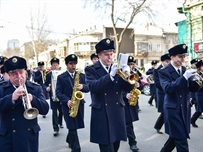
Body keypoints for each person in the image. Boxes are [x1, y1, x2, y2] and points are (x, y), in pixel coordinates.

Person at [85, 38, 134, 152]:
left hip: (117, 112)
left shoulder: (117, 69)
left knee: (116, 145)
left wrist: (128, 75)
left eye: (111, 54)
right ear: (99, 55)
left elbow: (128, 88)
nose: (110, 57)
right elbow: (93, 87)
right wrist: (110, 76)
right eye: (106, 55)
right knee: (107, 148)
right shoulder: (91, 70)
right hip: (102, 113)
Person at [0, 56, 49, 152]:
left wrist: (33, 100)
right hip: (8, 137)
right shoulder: (1, 88)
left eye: (21, 72)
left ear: (25, 72)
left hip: (28, 137)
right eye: (14, 74)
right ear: (9, 75)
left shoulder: (35, 88)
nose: (19, 76)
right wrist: (11, 98)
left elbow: (45, 110)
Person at [159, 44, 200, 152]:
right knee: (181, 140)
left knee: (174, 138)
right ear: (172, 56)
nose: (183, 59)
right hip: (173, 110)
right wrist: (184, 77)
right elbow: (168, 88)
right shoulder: (164, 71)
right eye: (180, 56)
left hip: (185, 109)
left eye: (184, 56)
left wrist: (197, 81)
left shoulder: (183, 69)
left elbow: (192, 89)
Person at [56, 54, 89, 152]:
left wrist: (83, 87)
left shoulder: (81, 76)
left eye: (75, 63)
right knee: (72, 127)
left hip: (79, 105)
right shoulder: (61, 77)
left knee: (75, 126)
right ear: (66, 64)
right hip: (67, 105)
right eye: (71, 63)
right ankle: (76, 149)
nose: (73, 66)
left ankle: (69, 139)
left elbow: (88, 88)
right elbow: (58, 92)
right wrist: (67, 100)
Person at [122, 55, 143, 152]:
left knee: (128, 123)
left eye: (132, 64)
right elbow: (116, 89)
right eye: (129, 64)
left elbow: (141, 86)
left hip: (132, 101)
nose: (130, 66)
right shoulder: (121, 75)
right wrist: (125, 94)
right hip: (122, 102)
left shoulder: (135, 74)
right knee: (127, 123)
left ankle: (129, 139)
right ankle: (133, 143)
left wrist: (139, 85)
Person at [43, 57, 64, 136]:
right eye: (53, 65)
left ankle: (60, 122)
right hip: (53, 96)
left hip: (61, 96)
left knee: (61, 110)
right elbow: (44, 84)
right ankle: (55, 129)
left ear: (58, 65)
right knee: (54, 112)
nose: (55, 66)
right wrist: (47, 88)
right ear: (51, 66)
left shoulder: (62, 73)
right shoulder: (49, 75)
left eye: (56, 65)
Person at [153, 53, 171, 134]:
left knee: (167, 112)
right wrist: (166, 85)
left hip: (170, 92)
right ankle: (158, 126)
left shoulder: (170, 69)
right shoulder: (157, 70)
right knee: (164, 112)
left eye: (169, 61)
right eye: (167, 62)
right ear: (162, 62)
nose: (168, 63)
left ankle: (158, 126)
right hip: (162, 93)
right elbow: (157, 83)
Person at [190, 60, 203, 127]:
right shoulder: (197, 75)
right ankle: (192, 120)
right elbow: (197, 86)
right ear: (199, 67)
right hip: (200, 94)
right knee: (200, 110)